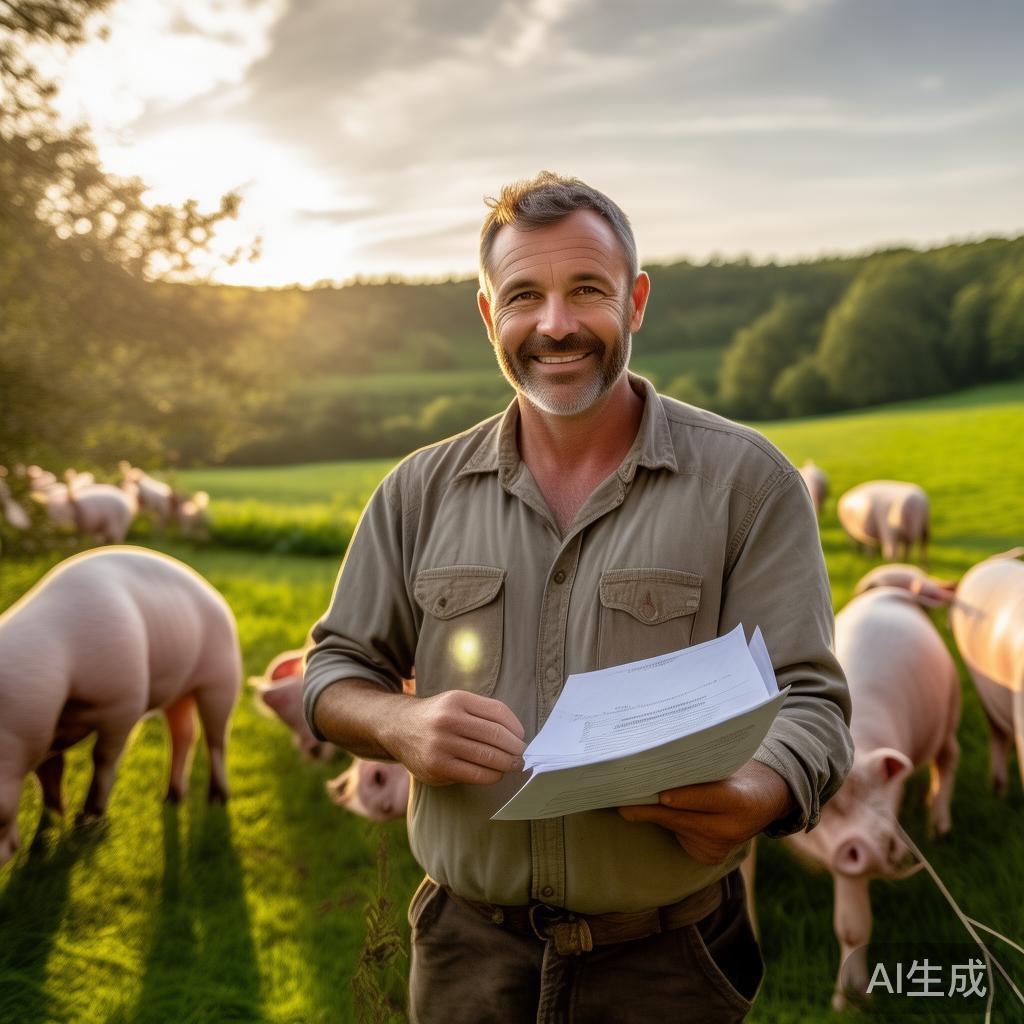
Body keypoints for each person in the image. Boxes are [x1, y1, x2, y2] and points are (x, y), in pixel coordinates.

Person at [303, 171, 853, 1023]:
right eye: (524, 295)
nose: (555, 325)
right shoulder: (417, 491)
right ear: (490, 315)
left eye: (586, 290)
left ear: (634, 301)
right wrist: (396, 724)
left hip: (669, 960)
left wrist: (760, 794)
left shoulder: (749, 483)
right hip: (464, 957)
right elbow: (333, 668)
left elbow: (812, 700)